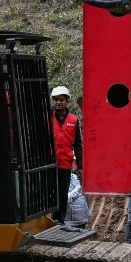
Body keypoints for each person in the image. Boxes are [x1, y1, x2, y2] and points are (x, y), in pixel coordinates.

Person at [50, 85, 82, 223]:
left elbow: (78, 146)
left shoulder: (74, 120)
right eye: (56, 100)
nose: (58, 102)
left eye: (61, 99)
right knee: (50, 192)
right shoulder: (47, 117)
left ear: (67, 101)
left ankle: (60, 220)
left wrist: (80, 166)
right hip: (50, 163)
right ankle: (50, 219)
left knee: (62, 194)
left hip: (65, 163)